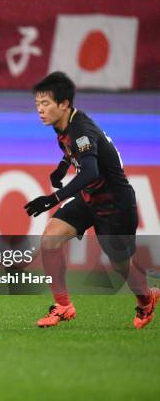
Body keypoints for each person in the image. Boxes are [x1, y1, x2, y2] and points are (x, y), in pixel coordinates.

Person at [25, 71, 158, 329]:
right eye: (37, 104)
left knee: (121, 266)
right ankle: (63, 306)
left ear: (64, 104)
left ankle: (146, 299)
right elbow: (78, 153)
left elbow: (91, 171)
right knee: (50, 239)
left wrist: (53, 198)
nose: (40, 110)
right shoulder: (65, 124)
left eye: (45, 104)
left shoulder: (81, 130)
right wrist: (63, 167)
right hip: (90, 198)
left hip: (115, 204)